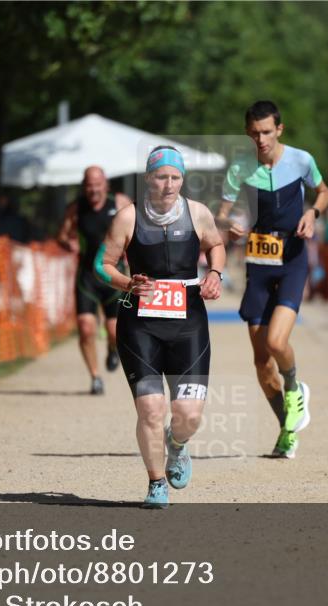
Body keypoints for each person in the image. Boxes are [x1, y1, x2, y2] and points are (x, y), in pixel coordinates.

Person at [99, 146, 225, 508]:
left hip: (189, 323)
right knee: (151, 409)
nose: (168, 185)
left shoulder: (198, 213)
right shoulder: (128, 217)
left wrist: (215, 273)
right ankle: (156, 483)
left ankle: (178, 445)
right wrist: (127, 283)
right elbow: (101, 265)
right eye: (161, 177)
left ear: (182, 180)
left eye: (175, 177)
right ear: (148, 179)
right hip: (140, 324)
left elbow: (216, 245)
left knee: (188, 415)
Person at [216, 100, 328, 459]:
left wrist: (312, 213)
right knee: (262, 363)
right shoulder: (240, 168)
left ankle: (296, 389)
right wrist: (228, 224)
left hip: (293, 259)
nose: (261, 139)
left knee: (278, 343)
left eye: (266, 132)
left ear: (279, 129)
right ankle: (287, 431)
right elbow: (222, 213)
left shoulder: (301, 160)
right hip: (259, 264)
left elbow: (324, 192)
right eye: (254, 133)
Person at [56, 167, 133, 395]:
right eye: (89, 185)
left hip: (113, 276)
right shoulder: (76, 208)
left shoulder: (119, 202)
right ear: (84, 186)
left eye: (97, 184)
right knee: (86, 328)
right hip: (87, 276)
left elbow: (137, 227)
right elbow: (62, 234)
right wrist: (67, 243)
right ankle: (95, 376)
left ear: (105, 185)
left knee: (114, 331)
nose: (93, 190)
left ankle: (112, 349)